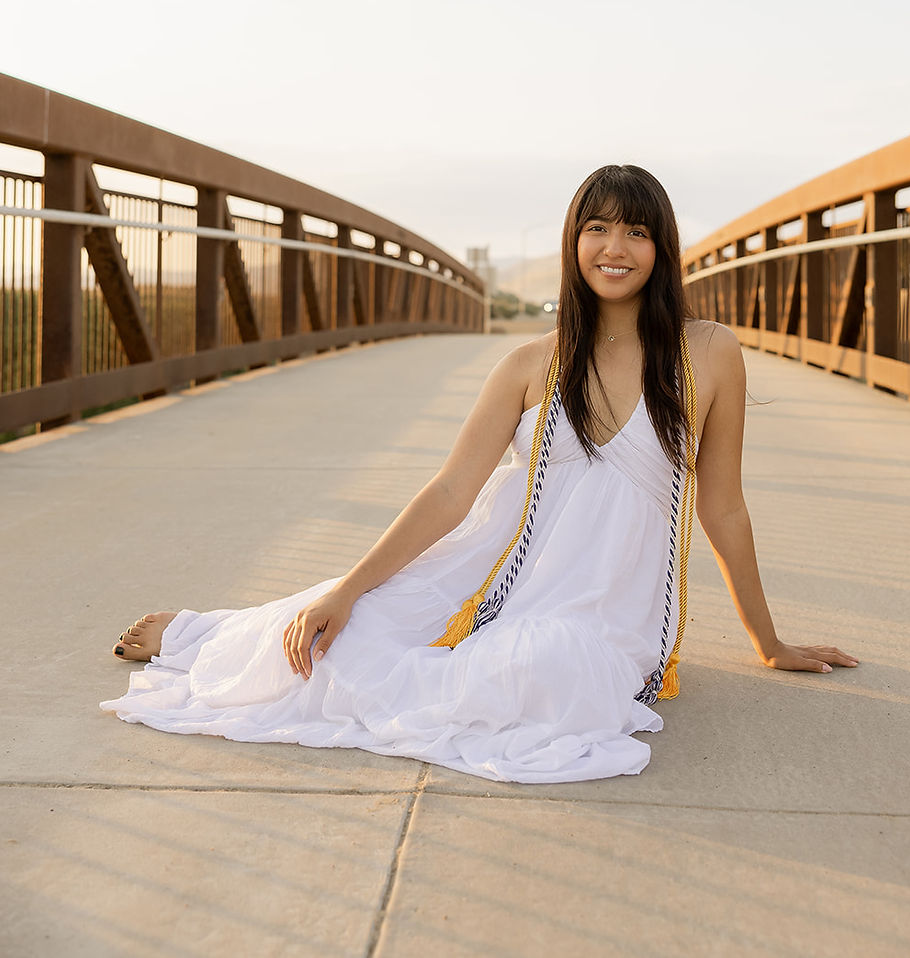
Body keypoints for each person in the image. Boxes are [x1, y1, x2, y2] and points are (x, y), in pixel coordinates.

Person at [102, 164, 857, 783]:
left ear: (663, 247)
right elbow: (452, 492)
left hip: (604, 609)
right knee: (352, 633)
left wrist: (767, 642)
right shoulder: (529, 364)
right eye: (596, 227)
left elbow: (723, 507)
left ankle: (217, 634)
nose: (614, 247)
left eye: (637, 230)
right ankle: (201, 637)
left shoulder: (709, 352)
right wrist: (347, 588)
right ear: (573, 242)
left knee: (551, 674)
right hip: (490, 574)